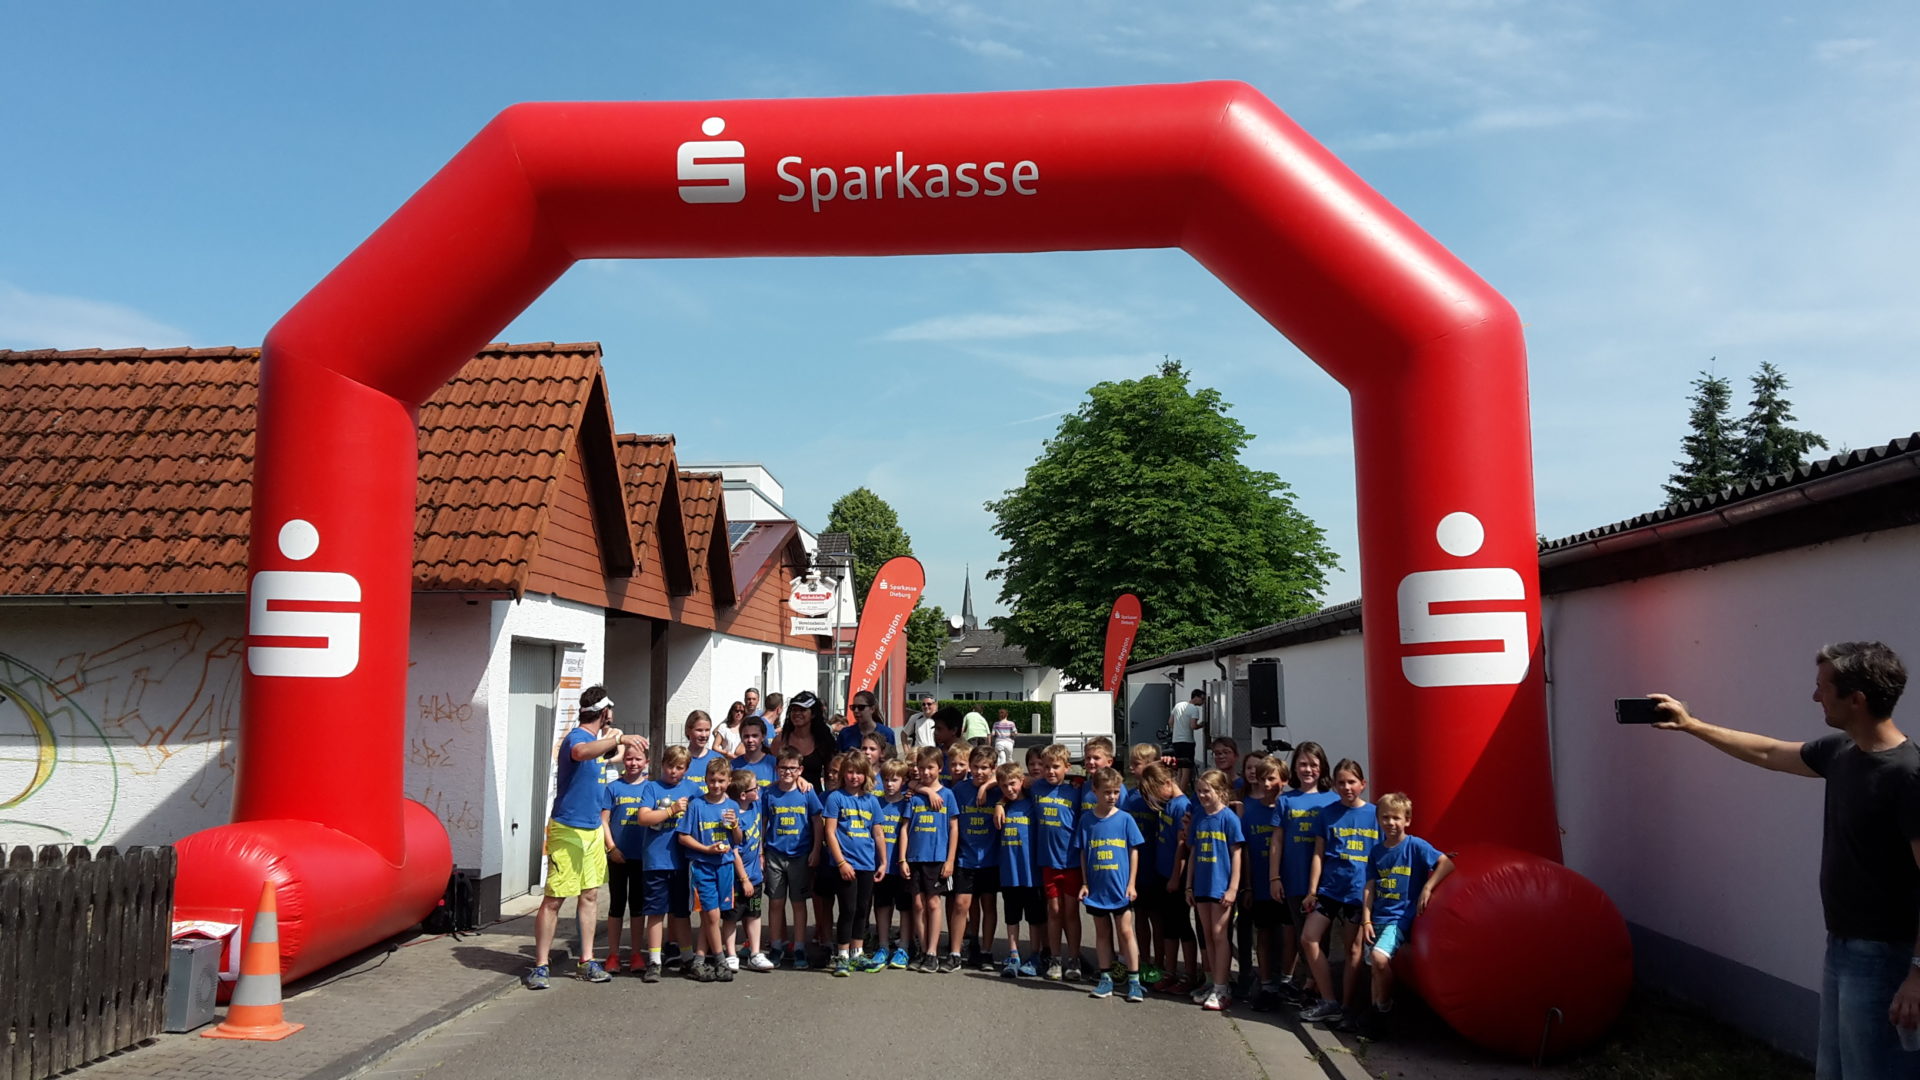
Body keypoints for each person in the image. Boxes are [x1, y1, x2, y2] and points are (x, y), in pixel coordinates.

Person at [1652, 642, 1920, 1079]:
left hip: (1886, 957)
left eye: (1823, 688)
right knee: (1834, 1071)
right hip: (1842, 947)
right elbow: (1768, 752)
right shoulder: (1841, 752)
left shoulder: (1907, 775)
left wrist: (1917, 975)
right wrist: (1691, 725)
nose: (1815, 697)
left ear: (1856, 699)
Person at [525, 686, 645, 990]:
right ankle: (540, 965)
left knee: (590, 895)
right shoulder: (577, 737)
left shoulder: (598, 743)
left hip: (592, 830)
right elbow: (579, 753)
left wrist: (617, 742)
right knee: (554, 899)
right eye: (610, 710)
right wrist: (618, 739)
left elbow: (609, 754)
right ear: (604, 712)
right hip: (568, 829)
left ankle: (587, 961)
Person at [1357, 791, 1452, 1039]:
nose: (1390, 822)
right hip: (1377, 917)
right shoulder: (1376, 852)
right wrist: (1366, 919)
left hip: (1399, 918)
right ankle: (1376, 1020)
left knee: (1379, 959)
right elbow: (1369, 887)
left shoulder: (1415, 846)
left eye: (1396, 818)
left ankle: (1385, 1007)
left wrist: (1428, 887)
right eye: (1385, 817)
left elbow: (1446, 863)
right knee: (1374, 970)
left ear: (1407, 820)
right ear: (1379, 819)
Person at [1298, 758, 1378, 1025]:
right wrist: (1312, 891)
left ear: (1363, 784)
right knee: (1309, 937)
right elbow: (1318, 854)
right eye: (1341, 782)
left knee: (1353, 950)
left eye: (1352, 782)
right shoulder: (1327, 813)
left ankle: (1347, 1007)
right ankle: (1329, 1000)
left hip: (1359, 893)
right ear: (1334, 785)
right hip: (1330, 890)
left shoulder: (1375, 815)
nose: (1347, 787)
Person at [1274, 741, 1338, 1004]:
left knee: (1319, 938)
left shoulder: (1333, 799)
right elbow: (1277, 841)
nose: (1308, 769)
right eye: (1302, 764)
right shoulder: (1286, 800)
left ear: (1322, 767)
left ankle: (1315, 987)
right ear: (1294, 767)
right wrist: (1274, 877)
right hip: (1294, 878)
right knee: (1303, 935)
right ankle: (1311, 986)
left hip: (1327, 882)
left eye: (1313, 764)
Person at [1077, 766, 1147, 1002]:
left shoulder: (1125, 819)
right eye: (1107, 792)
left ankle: (1134, 980)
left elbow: (1134, 851)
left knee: (1126, 932)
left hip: (1120, 888)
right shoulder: (1087, 820)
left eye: (1116, 792)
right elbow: (1083, 853)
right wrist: (1084, 883)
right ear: (1095, 791)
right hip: (1097, 889)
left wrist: (1132, 884)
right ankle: (1105, 978)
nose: (1112, 796)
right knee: (1102, 933)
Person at [677, 758, 745, 983]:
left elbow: (738, 840)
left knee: (713, 915)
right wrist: (706, 849)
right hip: (702, 865)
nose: (716, 785)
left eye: (721, 781)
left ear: (729, 781)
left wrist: (735, 826)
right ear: (705, 779)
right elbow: (683, 836)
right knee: (712, 914)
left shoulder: (732, 806)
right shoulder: (697, 805)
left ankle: (699, 959)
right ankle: (720, 959)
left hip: (724, 865)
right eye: (712, 780)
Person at [822, 752, 889, 976]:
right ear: (843, 774)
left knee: (862, 909)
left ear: (866, 775)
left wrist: (883, 862)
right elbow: (830, 832)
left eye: (859, 772)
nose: (854, 776)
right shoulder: (835, 798)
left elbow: (878, 833)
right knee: (848, 909)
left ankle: (857, 953)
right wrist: (841, 862)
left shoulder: (871, 800)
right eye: (850, 772)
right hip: (845, 864)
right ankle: (842, 955)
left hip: (867, 864)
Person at [635, 745, 697, 983]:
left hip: (681, 861)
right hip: (656, 861)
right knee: (656, 911)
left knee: (681, 912)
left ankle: (687, 957)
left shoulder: (692, 789)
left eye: (679, 767)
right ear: (662, 765)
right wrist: (671, 810)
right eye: (670, 766)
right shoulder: (652, 787)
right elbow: (643, 818)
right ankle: (654, 961)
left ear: (686, 769)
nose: (673, 771)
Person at [1186, 768, 1246, 1011]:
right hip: (1201, 885)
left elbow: (1237, 854)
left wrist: (1233, 888)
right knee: (1208, 934)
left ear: (1220, 791)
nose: (1202, 795)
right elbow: (1193, 852)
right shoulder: (1199, 816)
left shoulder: (1228, 818)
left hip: (1221, 886)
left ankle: (1222, 987)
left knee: (1221, 935)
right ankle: (1214, 983)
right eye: (1199, 791)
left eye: (1207, 791)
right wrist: (1188, 885)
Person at [763, 746, 824, 969]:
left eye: (792, 768)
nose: (787, 772)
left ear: (800, 770)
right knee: (776, 902)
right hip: (774, 854)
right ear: (776, 768)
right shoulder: (769, 793)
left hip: (800, 855)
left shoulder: (807, 792)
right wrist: (760, 852)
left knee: (798, 903)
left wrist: (816, 850)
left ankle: (799, 947)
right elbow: (762, 823)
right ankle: (776, 945)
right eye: (783, 768)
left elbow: (817, 822)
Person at [902, 746, 960, 972]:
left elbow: (954, 828)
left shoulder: (948, 795)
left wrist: (950, 860)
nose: (926, 772)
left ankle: (933, 952)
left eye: (931, 768)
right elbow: (905, 828)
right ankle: (923, 948)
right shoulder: (913, 795)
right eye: (922, 767)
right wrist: (902, 859)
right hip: (914, 857)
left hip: (936, 858)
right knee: (917, 904)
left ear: (940, 768)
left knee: (933, 903)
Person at [1030, 743, 1084, 981]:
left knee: (1071, 912)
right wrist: (1000, 804)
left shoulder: (1075, 790)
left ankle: (1074, 958)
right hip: (1048, 862)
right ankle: (1055, 958)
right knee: (1053, 910)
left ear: (1067, 767)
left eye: (1056, 767)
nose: (1050, 771)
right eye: (1046, 767)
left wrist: (1079, 780)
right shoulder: (1036, 787)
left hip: (1071, 862)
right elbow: (1007, 780)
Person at [1145, 764, 1198, 995]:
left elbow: (1182, 845)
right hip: (1162, 873)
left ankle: (1190, 974)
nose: (1154, 796)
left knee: (1182, 925)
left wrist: (1176, 877)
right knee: (1168, 925)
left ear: (1167, 783)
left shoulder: (1181, 806)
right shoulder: (1167, 804)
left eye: (1155, 790)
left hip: (1176, 876)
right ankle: (1169, 971)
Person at [1245, 755, 1292, 1010]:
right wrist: (1248, 885)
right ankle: (1265, 984)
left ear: (1283, 780)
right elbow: (1246, 852)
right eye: (1263, 778)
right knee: (1263, 933)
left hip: (1288, 883)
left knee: (1289, 933)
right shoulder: (1249, 810)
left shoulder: (1289, 809)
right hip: (1260, 883)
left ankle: (1286, 980)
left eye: (1271, 778)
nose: (1266, 784)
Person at [950, 745, 1002, 970]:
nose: (979, 772)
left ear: (993, 769)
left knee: (988, 904)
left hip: (990, 859)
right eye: (975, 767)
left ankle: (986, 952)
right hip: (965, 857)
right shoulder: (959, 790)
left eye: (985, 768)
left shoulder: (999, 790)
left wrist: (988, 787)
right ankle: (955, 952)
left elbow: (1023, 778)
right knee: (962, 904)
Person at [602, 743, 651, 974]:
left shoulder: (651, 788)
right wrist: (611, 848)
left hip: (642, 856)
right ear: (623, 760)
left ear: (646, 762)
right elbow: (603, 820)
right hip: (618, 856)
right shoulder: (613, 788)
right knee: (616, 905)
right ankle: (613, 954)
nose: (633, 763)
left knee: (638, 907)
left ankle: (636, 953)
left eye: (638, 759)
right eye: (629, 759)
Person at [991, 762, 1043, 978]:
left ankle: (1035, 955)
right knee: (1011, 917)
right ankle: (1013, 954)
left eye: (1013, 783)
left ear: (1022, 781)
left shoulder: (1033, 804)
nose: (1009, 789)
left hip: (1031, 874)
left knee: (1034, 918)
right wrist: (999, 803)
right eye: (1004, 786)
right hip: (1009, 873)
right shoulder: (1003, 806)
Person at [723, 770, 774, 972]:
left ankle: (755, 953)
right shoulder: (733, 815)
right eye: (755, 787)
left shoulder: (756, 804)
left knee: (754, 913)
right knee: (731, 917)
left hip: (755, 876)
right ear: (743, 794)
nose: (759, 789)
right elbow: (733, 851)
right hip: (737, 878)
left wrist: (760, 853)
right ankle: (731, 954)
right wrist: (743, 878)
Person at [870, 759, 913, 969]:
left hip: (902, 865)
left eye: (894, 780)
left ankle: (903, 947)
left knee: (905, 907)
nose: (889, 784)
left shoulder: (908, 802)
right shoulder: (875, 802)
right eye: (886, 779)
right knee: (882, 906)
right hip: (880, 866)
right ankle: (883, 946)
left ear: (903, 781)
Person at [769, 691, 833, 789]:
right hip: (785, 796)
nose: (797, 713)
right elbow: (772, 773)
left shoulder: (822, 741)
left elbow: (830, 776)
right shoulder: (780, 741)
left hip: (815, 795)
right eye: (794, 710)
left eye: (803, 710)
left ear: (813, 714)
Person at [731, 715, 777, 802]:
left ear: (763, 737)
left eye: (755, 736)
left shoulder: (774, 763)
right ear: (741, 737)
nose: (750, 740)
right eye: (746, 736)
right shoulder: (733, 765)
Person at [838, 689, 899, 753]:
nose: (856, 711)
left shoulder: (887, 733)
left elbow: (891, 758)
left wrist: (863, 756)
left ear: (872, 709)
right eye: (853, 707)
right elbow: (838, 757)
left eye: (861, 707)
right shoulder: (845, 733)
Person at [1170, 689, 1207, 786]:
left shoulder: (1178, 705)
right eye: (1202, 699)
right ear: (1196, 697)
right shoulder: (1194, 709)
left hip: (1176, 741)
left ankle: (1177, 790)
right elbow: (1193, 726)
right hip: (1187, 742)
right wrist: (1202, 725)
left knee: (1180, 770)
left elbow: (1170, 722)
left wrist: (1178, 728)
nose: (1203, 702)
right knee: (1187, 771)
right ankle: (1181, 792)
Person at [683, 711, 721, 795]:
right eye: (699, 730)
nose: (704, 735)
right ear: (688, 730)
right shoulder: (679, 759)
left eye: (707, 730)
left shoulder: (718, 760)